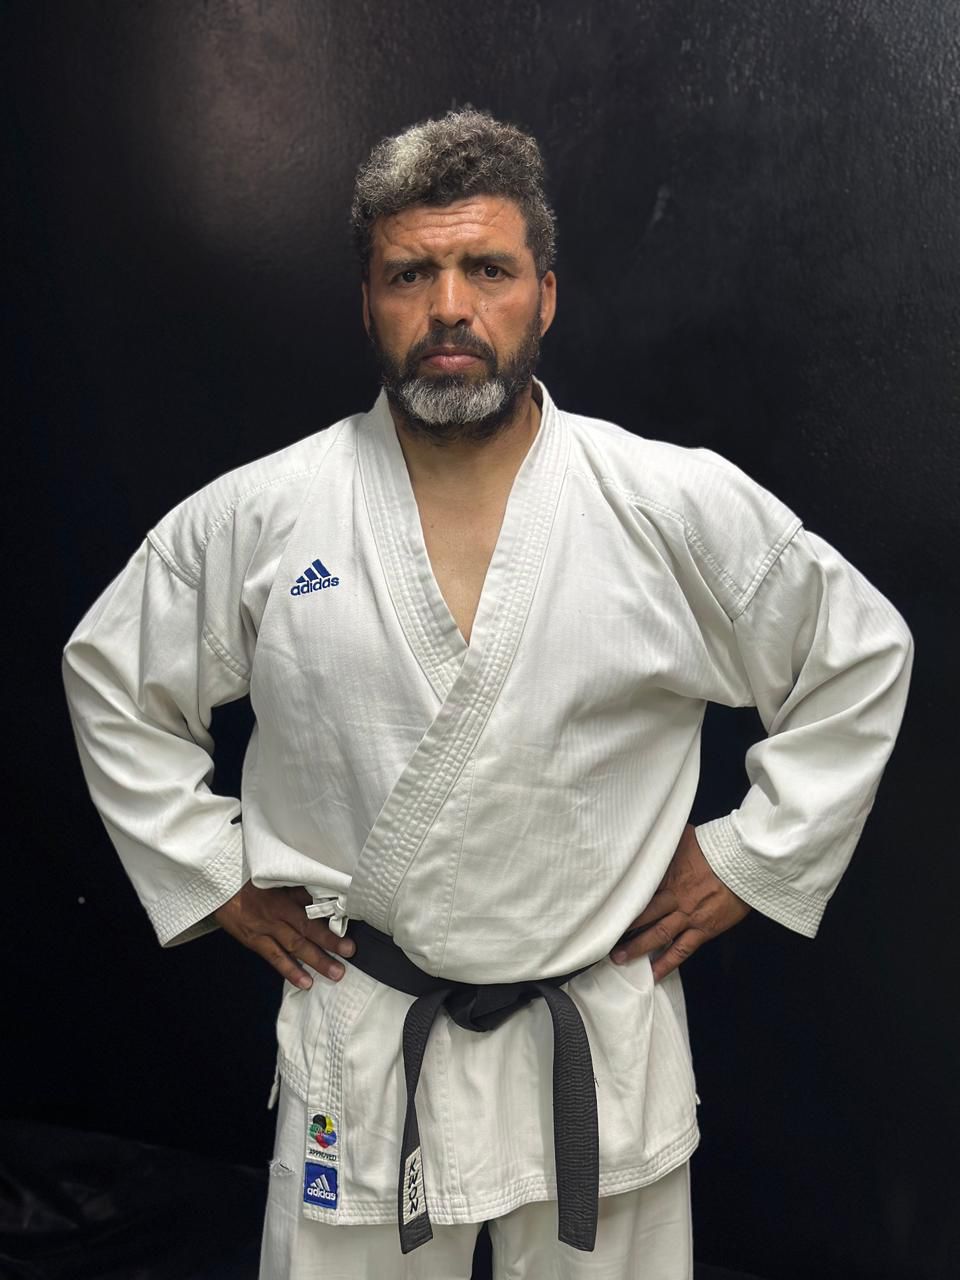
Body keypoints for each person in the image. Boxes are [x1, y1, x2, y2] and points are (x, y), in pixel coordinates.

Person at [62, 107, 913, 1280]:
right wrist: (216, 874)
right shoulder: (265, 515)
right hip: (368, 1036)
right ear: (368, 302)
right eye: (410, 273)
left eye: (488, 269)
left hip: (595, 1038)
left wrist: (748, 857)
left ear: (545, 296)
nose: (450, 306)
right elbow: (111, 674)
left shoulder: (667, 504)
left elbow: (858, 654)